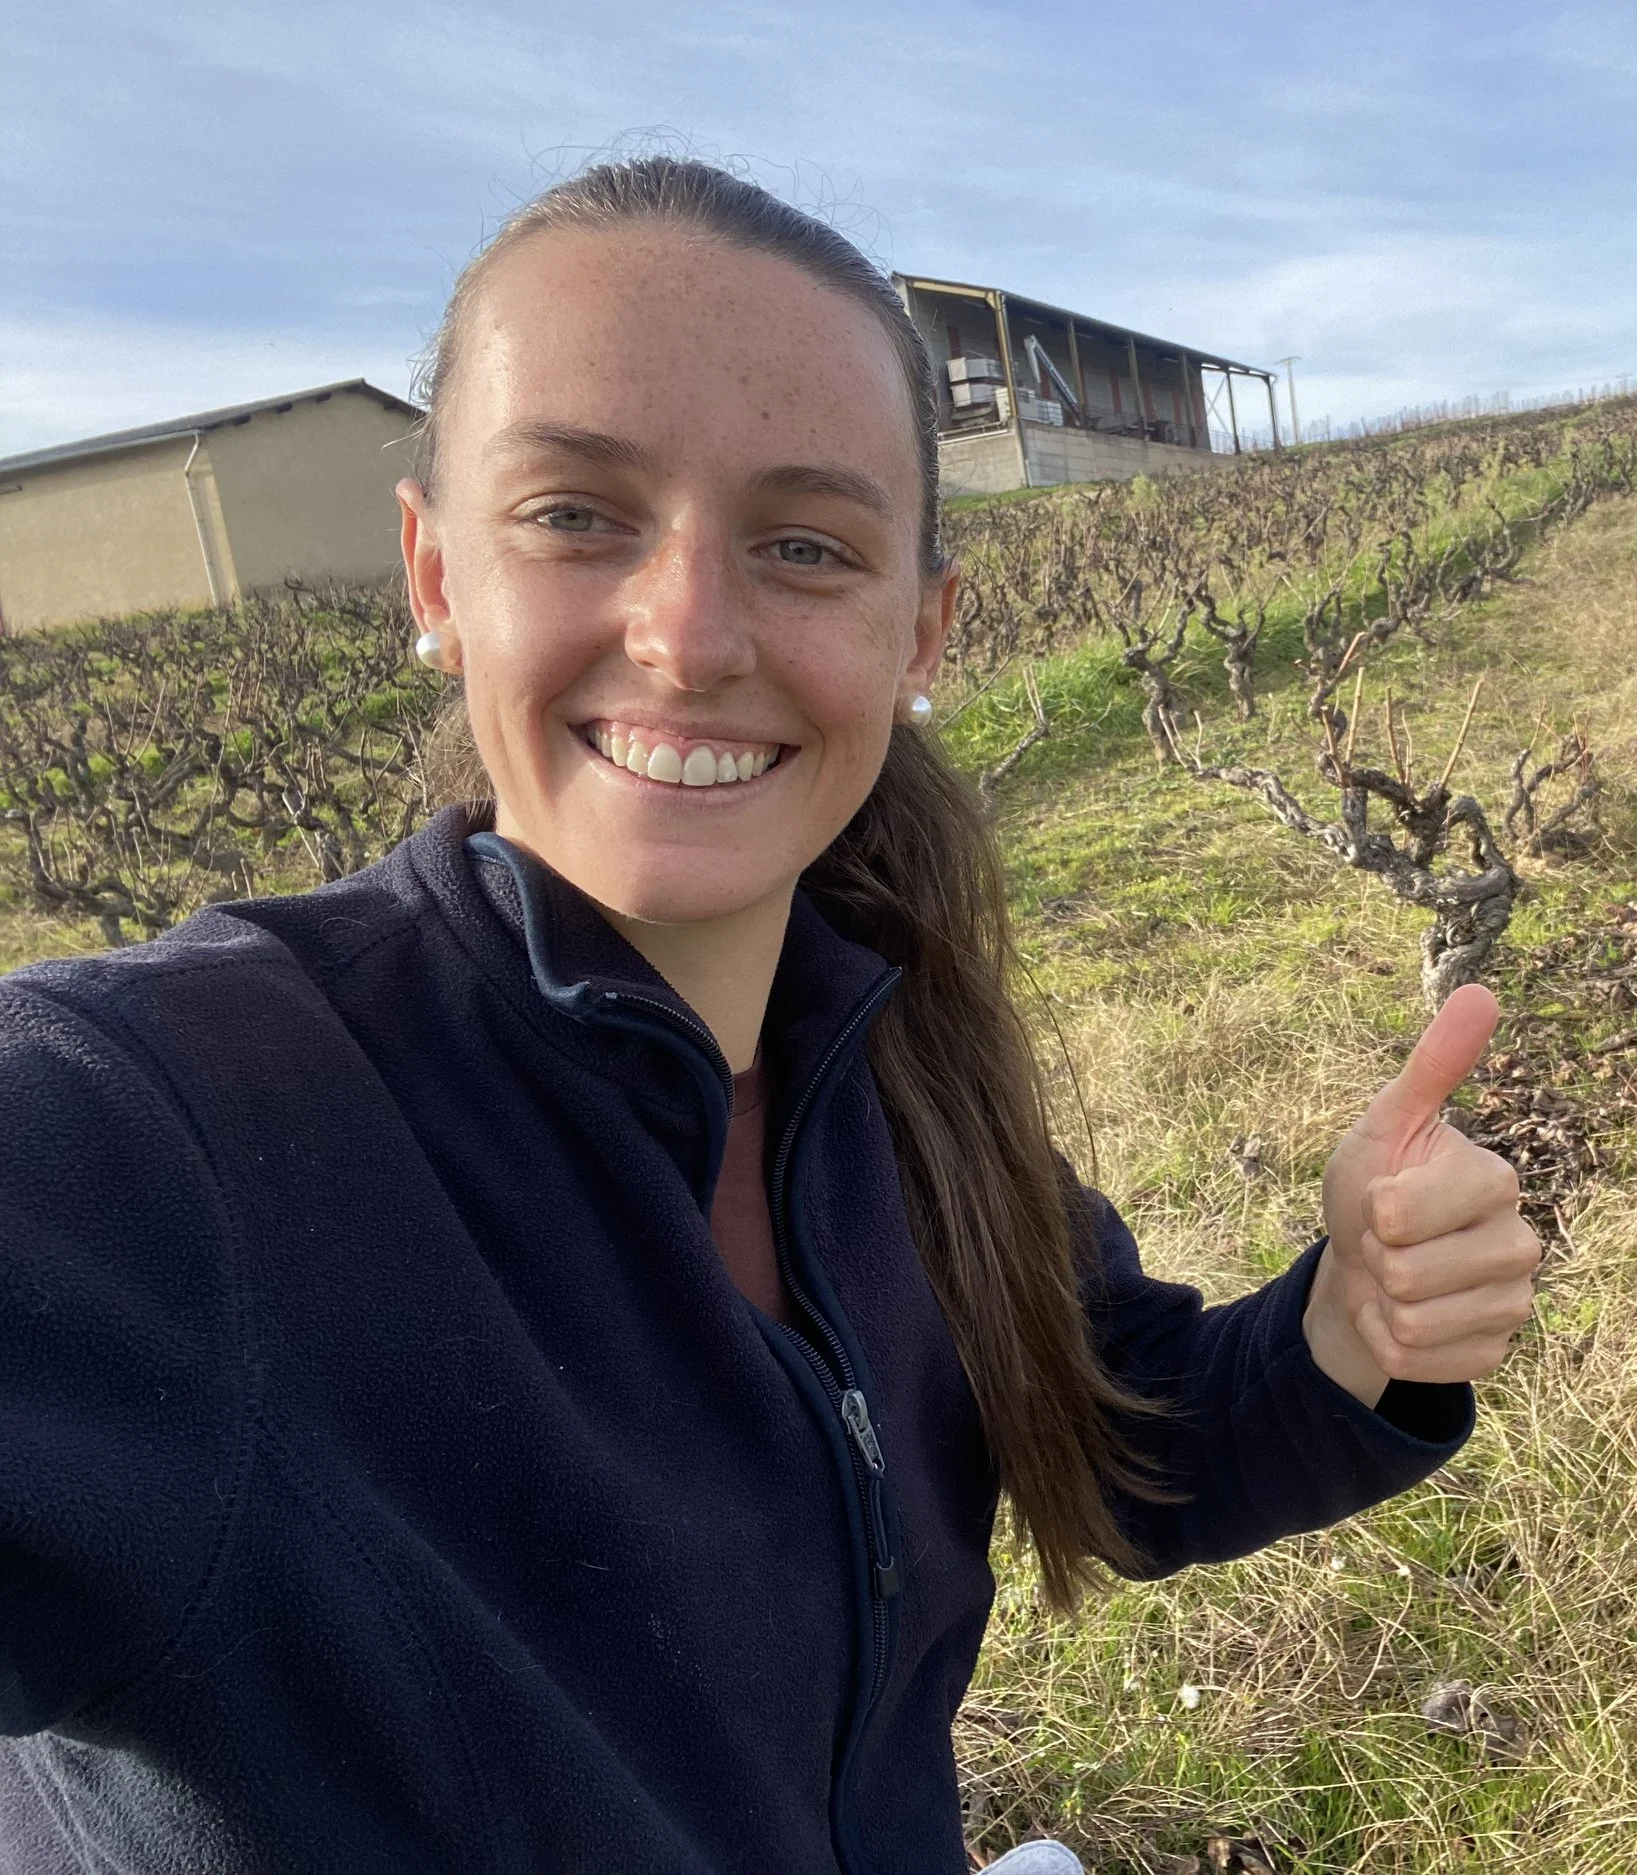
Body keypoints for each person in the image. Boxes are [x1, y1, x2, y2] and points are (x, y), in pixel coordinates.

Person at [0, 158, 1540, 1872]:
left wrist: (1354, 1323)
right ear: (435, 577)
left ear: (918, 632)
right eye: (577, 513)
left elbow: (1114, 1428)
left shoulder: (887, 1073)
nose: (689, 633)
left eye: (805, 545)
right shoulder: (161, 1138)